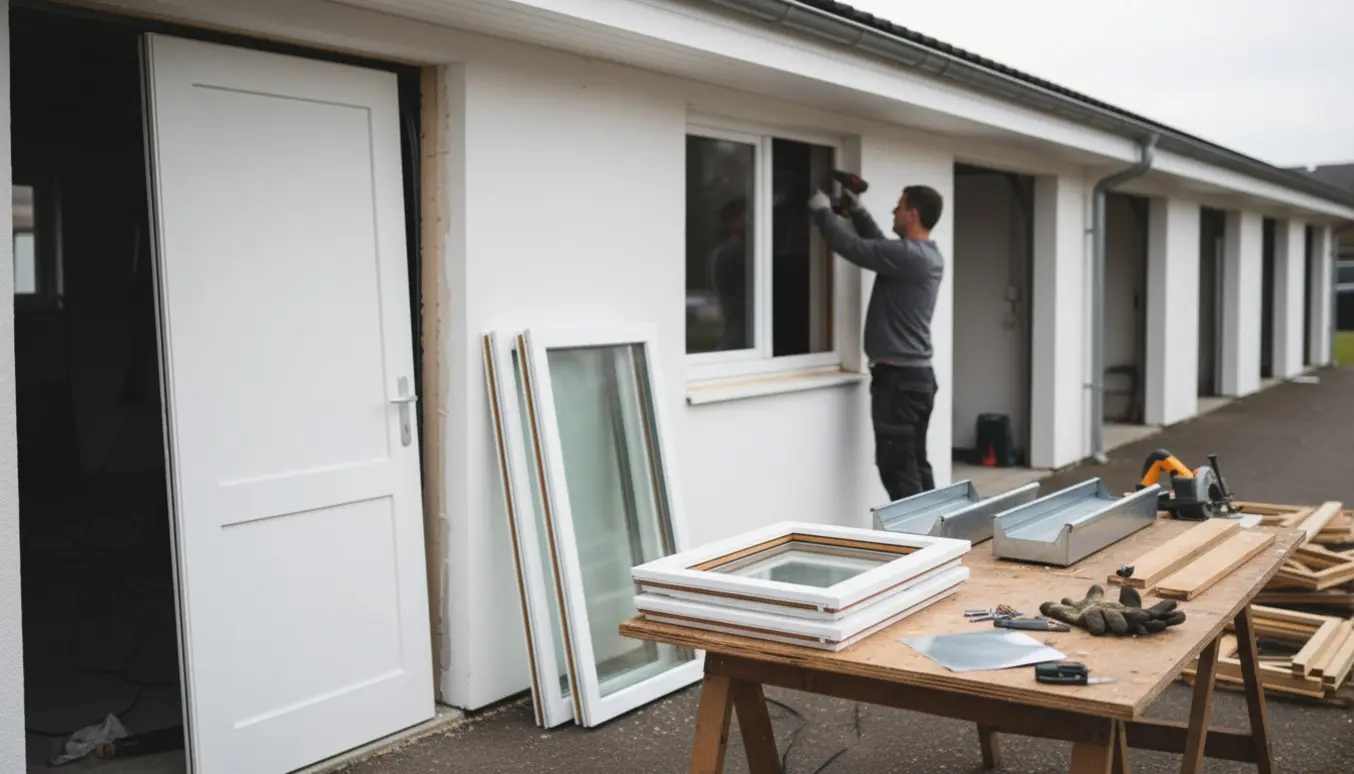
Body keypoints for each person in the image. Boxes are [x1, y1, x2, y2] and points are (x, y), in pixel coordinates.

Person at [807, 184, 945, 501]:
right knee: (914, 465)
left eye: (899, 206)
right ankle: (939, 539)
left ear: (913, 214)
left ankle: (915, 544)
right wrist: (857, 212)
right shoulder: (923, 256)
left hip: (898, 383)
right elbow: (881, 245)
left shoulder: (910, 257)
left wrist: (821, 210)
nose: (893, 211)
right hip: (915, 380)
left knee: (898, 469)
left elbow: (854, 247)